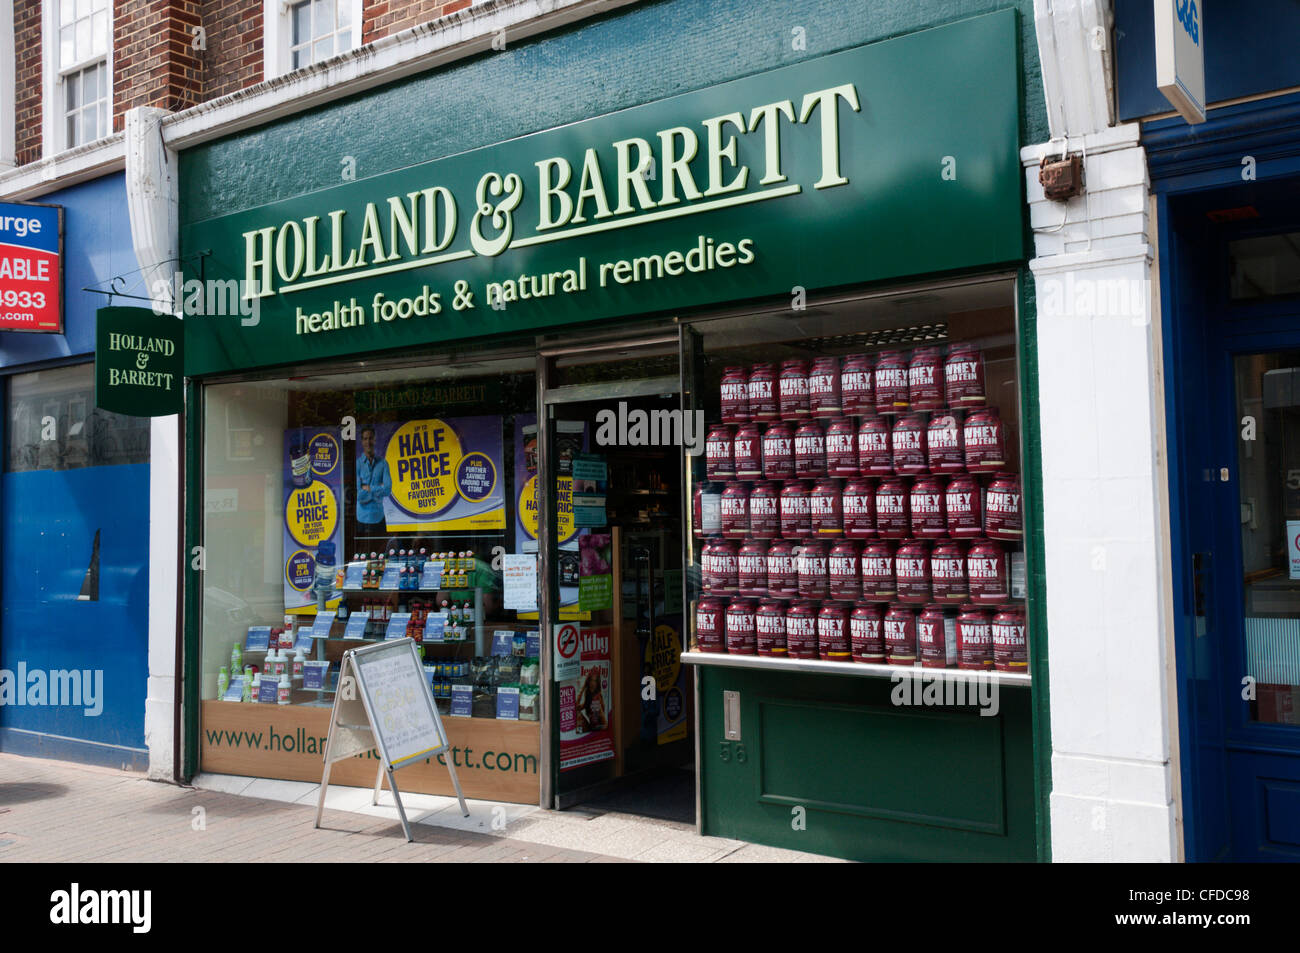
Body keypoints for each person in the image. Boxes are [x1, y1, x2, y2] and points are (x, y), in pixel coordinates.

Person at [355, 425, 391, 540]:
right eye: (365, 439)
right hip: (362, 519)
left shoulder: (383, 463)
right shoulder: (357, 465)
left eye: (370, 438)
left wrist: (368, 488)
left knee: (381, 554)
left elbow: (388, 489)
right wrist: (378, 488)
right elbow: (359, 495)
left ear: (375, 440)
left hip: (379, 518)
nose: (368, 442)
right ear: (362, 442)